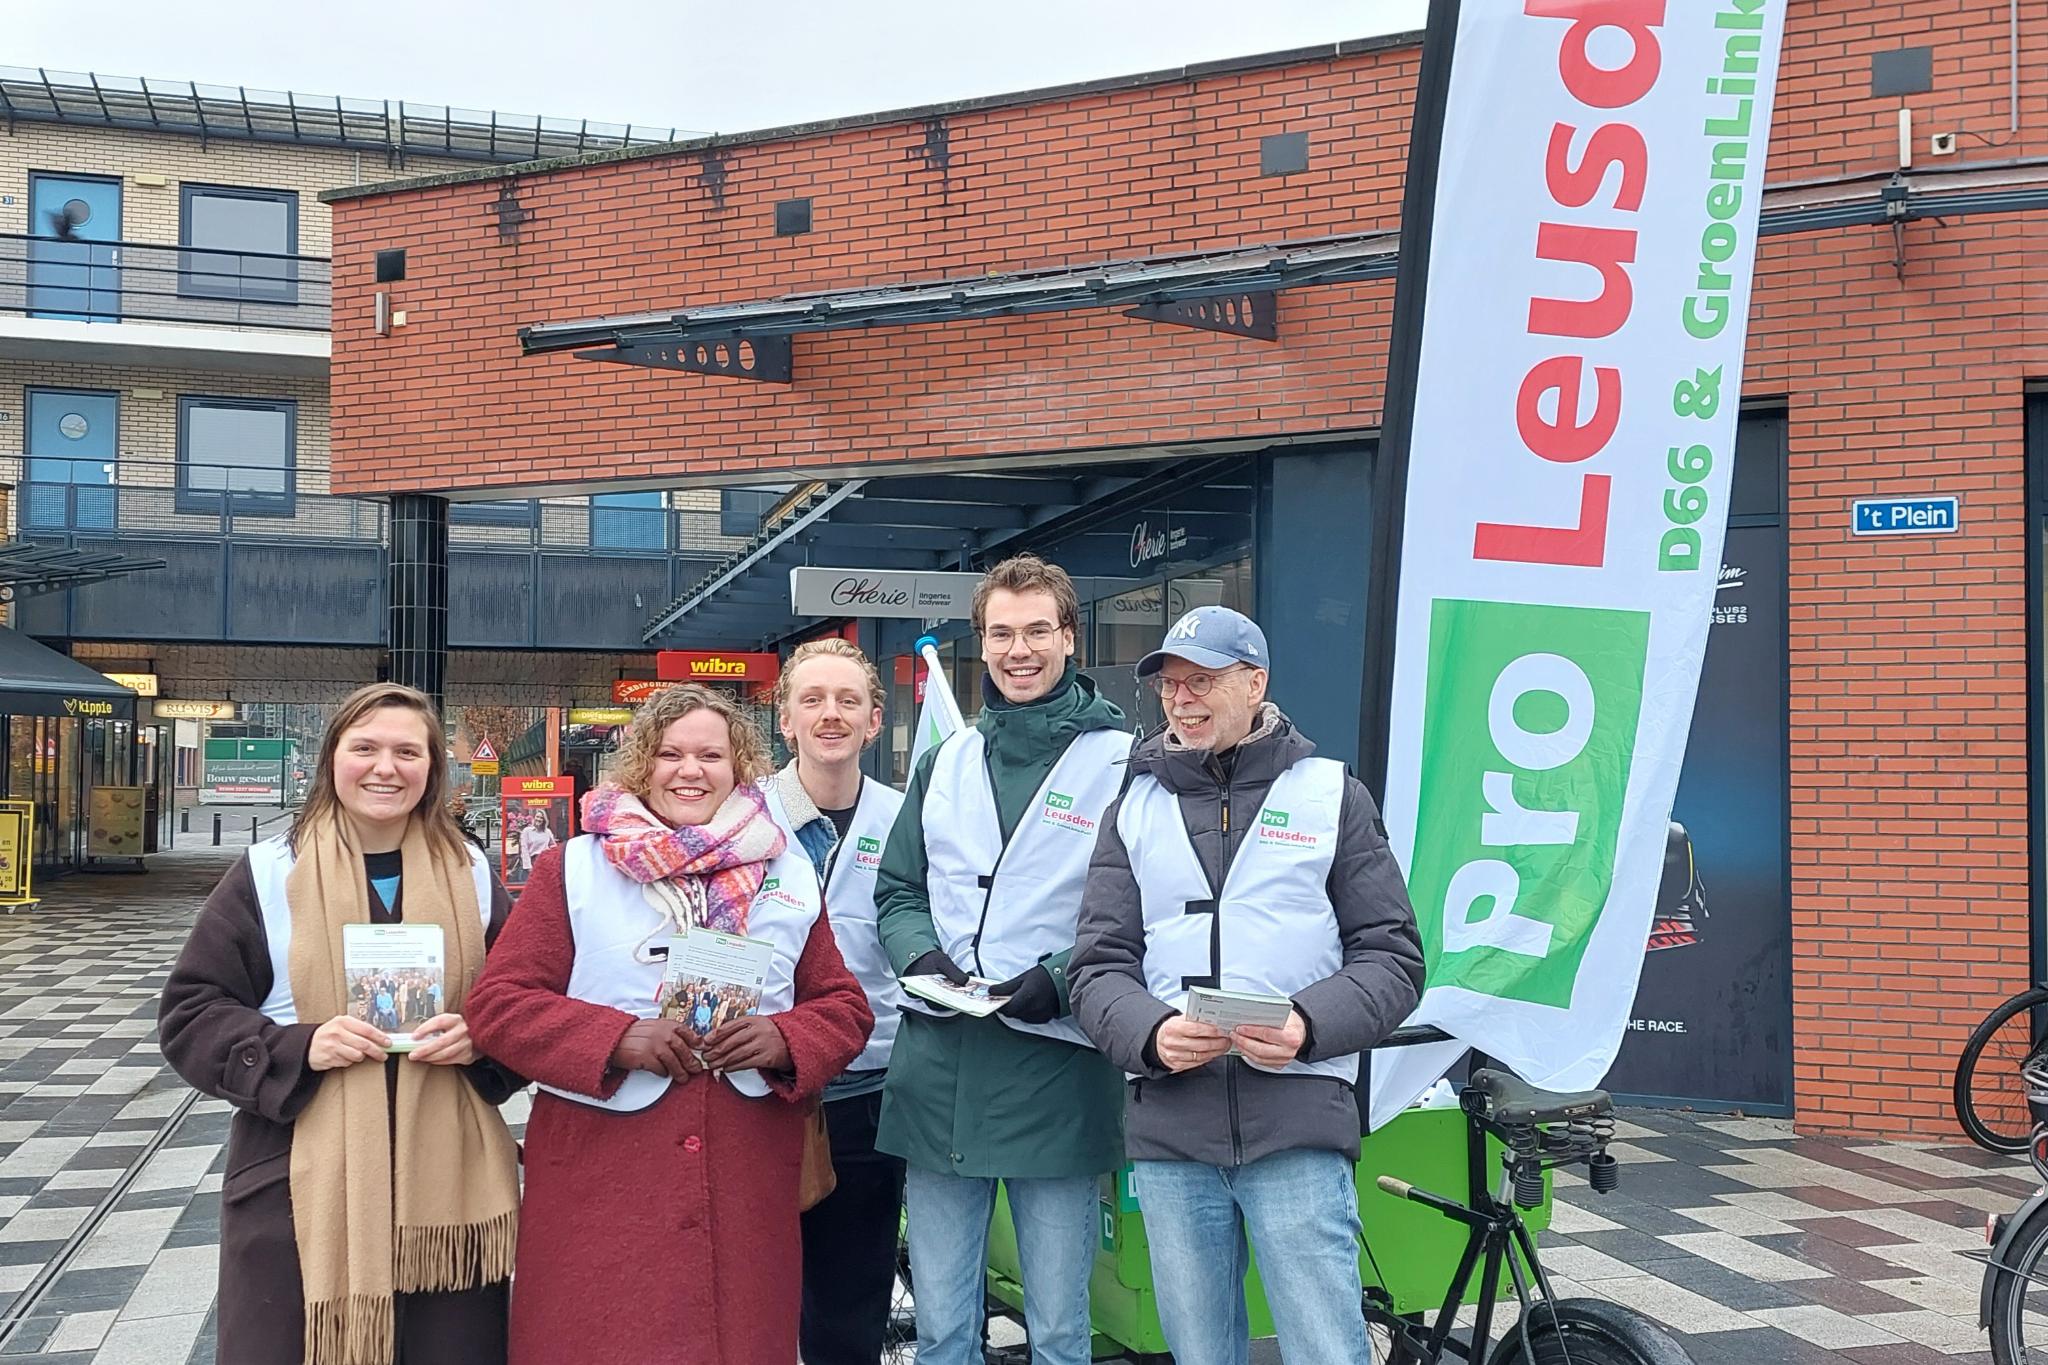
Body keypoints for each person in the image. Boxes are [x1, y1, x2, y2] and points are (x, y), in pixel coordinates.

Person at [465, 683, 873, 1365]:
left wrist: (784, 1039)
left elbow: (843, 1007)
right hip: (603, 1180)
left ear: (738, 766)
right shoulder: (572, 868)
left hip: (743, 1178)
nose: (691, 770)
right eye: (671, 754)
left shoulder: (788, 870)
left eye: (711, 755)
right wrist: (615, 1038)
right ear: (642, 764)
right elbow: (500, 1006)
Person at [1071, 606, 1426, 1365]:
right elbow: (1097, 967)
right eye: (1170, 685)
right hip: (1172, 1130)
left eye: (1201, 681)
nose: (1182, 699)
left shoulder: (1331, 794)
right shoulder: (1132, 808)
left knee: (1327, 1348)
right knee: (1200, 1352)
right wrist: (1149, 1034)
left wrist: (1307, 1022)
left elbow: (1393, 957)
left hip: (1297, 1119)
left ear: (1255, 682)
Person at [158, 683, 524, 1365]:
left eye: (407, 752)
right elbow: (191, 1011)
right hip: (297, 1179)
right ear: (332, 759)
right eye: (365, 748)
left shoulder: (471, 873)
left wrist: (482, 1039)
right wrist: (298, 1046)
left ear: (432, 767)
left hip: (447, 1192)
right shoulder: (272, 871)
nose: (386, 767)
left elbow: (520, 1002)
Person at [876, 554, 1132, 1365]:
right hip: (938, 1074)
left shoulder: (1126, 762)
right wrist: (922, 954)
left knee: (1058, 1333)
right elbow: (898, 888)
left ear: (1070, 637)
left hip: (1054, 1074)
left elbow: (1142, 910)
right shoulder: (944, 760)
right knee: (942, 1333)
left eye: (1037, 631)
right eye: (1001, 633)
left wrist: (1057, 978)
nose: (1019, 650)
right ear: (981, 643)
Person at [763, 637, 909, 1365]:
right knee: (755, 1297)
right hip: (758, 1092)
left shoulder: (907, 818)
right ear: (784, 719)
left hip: (868, 1093)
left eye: (848, 701)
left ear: (874, 721)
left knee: (850, 1307)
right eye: (812, 700)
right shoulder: (741, 818)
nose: (831, 714)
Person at [517, 807, 557, 877]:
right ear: (534, 818)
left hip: (545, 861)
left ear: (544, 820)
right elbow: (524, 849)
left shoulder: (547, 831)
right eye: (537, 817)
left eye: (541, 818)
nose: (538, 819)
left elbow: (553, 845)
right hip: (533, 861)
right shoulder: (527, 831)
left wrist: (551, 857)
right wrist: (528, 866)